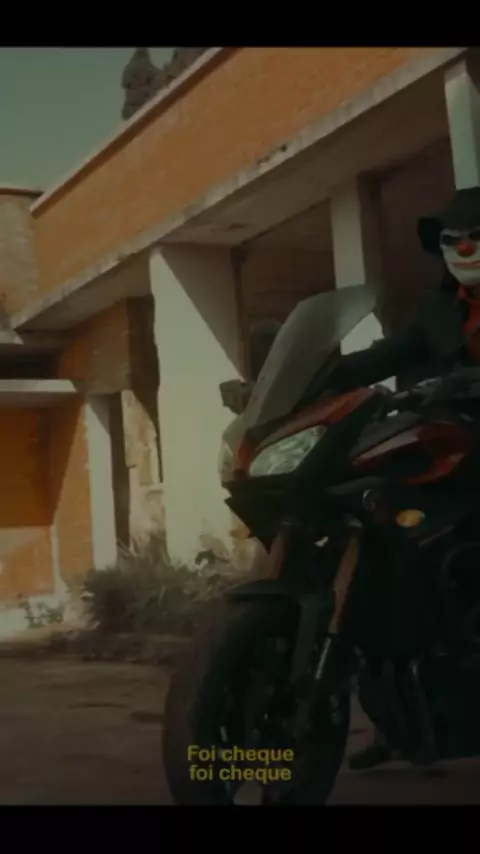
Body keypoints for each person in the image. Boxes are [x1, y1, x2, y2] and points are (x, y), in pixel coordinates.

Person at [332, 185, 480, 770]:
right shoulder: (437, 311)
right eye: (453, 239)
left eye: (476, 237)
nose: (465, 248)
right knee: (387, 551)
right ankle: (396, 720)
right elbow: (386, 357)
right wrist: (315, 375)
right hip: (447, 446)